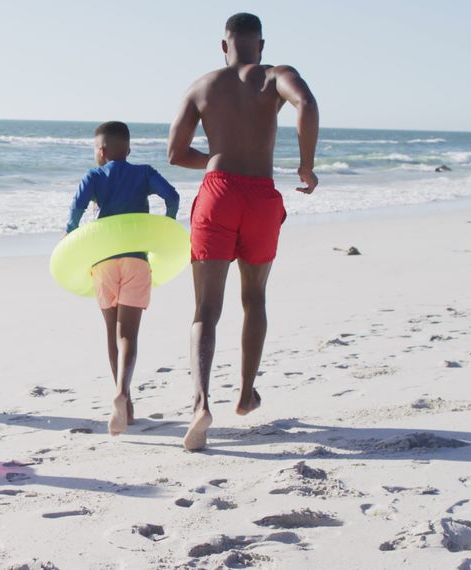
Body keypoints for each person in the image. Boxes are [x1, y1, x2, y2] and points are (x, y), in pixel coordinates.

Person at [166, 12, 319, 451]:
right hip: (261, 198)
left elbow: (175, 153)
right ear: (261, 45)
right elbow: (306, 104)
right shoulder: (276, 77)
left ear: (224, 45)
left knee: (206, 308)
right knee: (254, 298)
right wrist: (306, 163)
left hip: (217, 195)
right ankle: (245, 393)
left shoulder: (202, 86)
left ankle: (200, 403)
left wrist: (216, 158)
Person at [66, 121, 180, 436]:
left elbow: (74, 213)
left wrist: (73, 247)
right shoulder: (143, 172)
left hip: (103, 263)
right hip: (137, 261)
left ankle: (124, 405)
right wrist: (164, 229)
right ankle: (123, 394)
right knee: (128, 334)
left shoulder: (93, 176)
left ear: (100, 153)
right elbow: (172, 197)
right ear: (127, 150)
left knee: (109, 332)